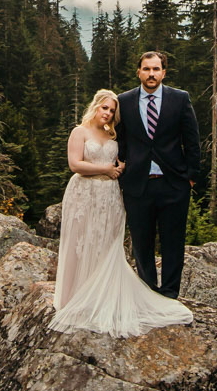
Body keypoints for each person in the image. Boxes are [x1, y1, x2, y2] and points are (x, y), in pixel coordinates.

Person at [51, 88, 193, 336]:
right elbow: (75, 165)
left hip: (109, 196)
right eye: (104, 107)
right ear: (95, 106)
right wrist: (106, 169)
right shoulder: (79, 131)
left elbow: (126, 156)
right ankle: (75, 295)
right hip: (84, 194)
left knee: (106, 244)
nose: (107, 113)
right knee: (81, 242)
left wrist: (124, 166)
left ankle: (103, 294)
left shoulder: (112, 136)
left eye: (112, 110)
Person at [116, 51, 201, 299]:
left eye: (156, 69)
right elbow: (120, 140)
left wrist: (191, 177)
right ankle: (148, 295)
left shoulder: (180, 99)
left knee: (173, 243)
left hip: (173, 184)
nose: (151, 74)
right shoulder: (125, 100)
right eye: (146, 69)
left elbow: (192, 141)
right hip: (138, 185)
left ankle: (170, 295)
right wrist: (122, 174)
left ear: (164, 72)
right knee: (142, 244)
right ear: (139, 72)